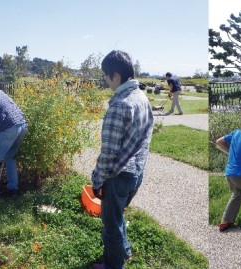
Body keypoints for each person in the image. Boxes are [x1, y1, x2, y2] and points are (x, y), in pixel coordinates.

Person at [90, 50, 154, 269]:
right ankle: (124, 251)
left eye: (106, 76)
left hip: (118, 176)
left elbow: (108, 152)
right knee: (118, 215)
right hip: (136, 171)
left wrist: (97, 180)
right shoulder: (141, 97)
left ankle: (113, 265)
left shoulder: (120, 105)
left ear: (116, 76)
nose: (106, 80)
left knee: (111, 224)